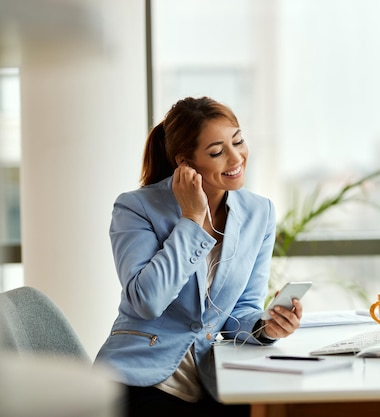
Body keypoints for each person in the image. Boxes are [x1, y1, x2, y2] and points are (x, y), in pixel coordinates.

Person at [95, 96, 303, 417]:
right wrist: (192, 218)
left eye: (239, 142)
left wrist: (266, 327)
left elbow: (242, 310)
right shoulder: (136, 208)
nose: (236, 158)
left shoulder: (259, 212)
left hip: (210, 380)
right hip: (137, 379)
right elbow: (147, 301)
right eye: (217, 152)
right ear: (185, 163)